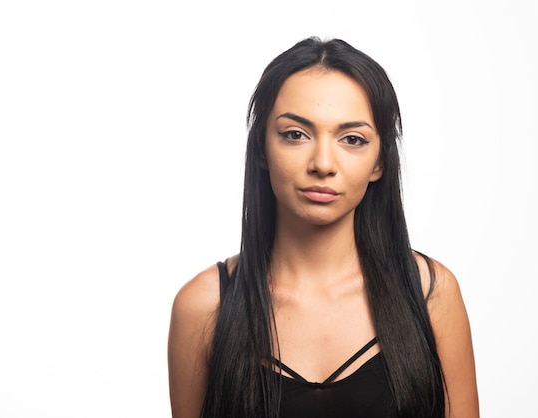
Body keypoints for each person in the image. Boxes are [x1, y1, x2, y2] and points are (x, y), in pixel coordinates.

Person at [167, 36, 479, 418]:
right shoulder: (204, 306)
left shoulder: (430, 292)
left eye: (352, 139)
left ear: (379, 162)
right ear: (262, 149)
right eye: (295, 134)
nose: (323, 163)